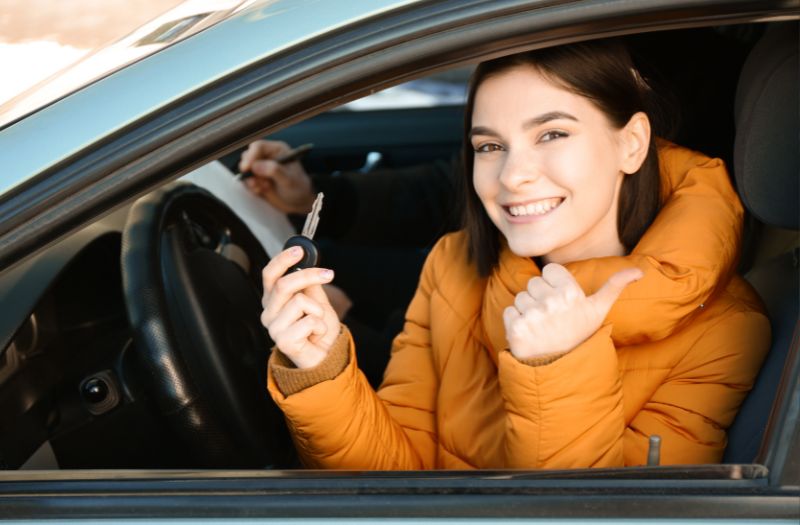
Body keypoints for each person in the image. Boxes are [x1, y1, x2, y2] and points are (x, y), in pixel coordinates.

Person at [257, 39, 770, 469]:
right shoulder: (453, 265)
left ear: (632, 144)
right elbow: (397, 475)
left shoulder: (725, 329)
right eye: (489, 146)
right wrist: (320, 366)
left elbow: (602, 515)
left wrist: (558, 365)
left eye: (552, 134)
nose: (511, 176)